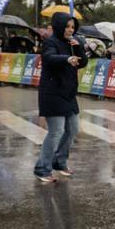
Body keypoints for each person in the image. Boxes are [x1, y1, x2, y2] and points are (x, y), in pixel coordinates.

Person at [34, 13, 86, 184]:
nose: (70, 30)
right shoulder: (50, 42)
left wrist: (78, 48)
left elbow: (83, 62)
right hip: (52, 93)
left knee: (73, 129)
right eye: (67, 26)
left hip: (68, 93)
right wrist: (67, 58)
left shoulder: (72, 43)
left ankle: (59, 161)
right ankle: (42, 168)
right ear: (59, 26)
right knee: (56, 132)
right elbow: (49, 58)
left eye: (73, 27)